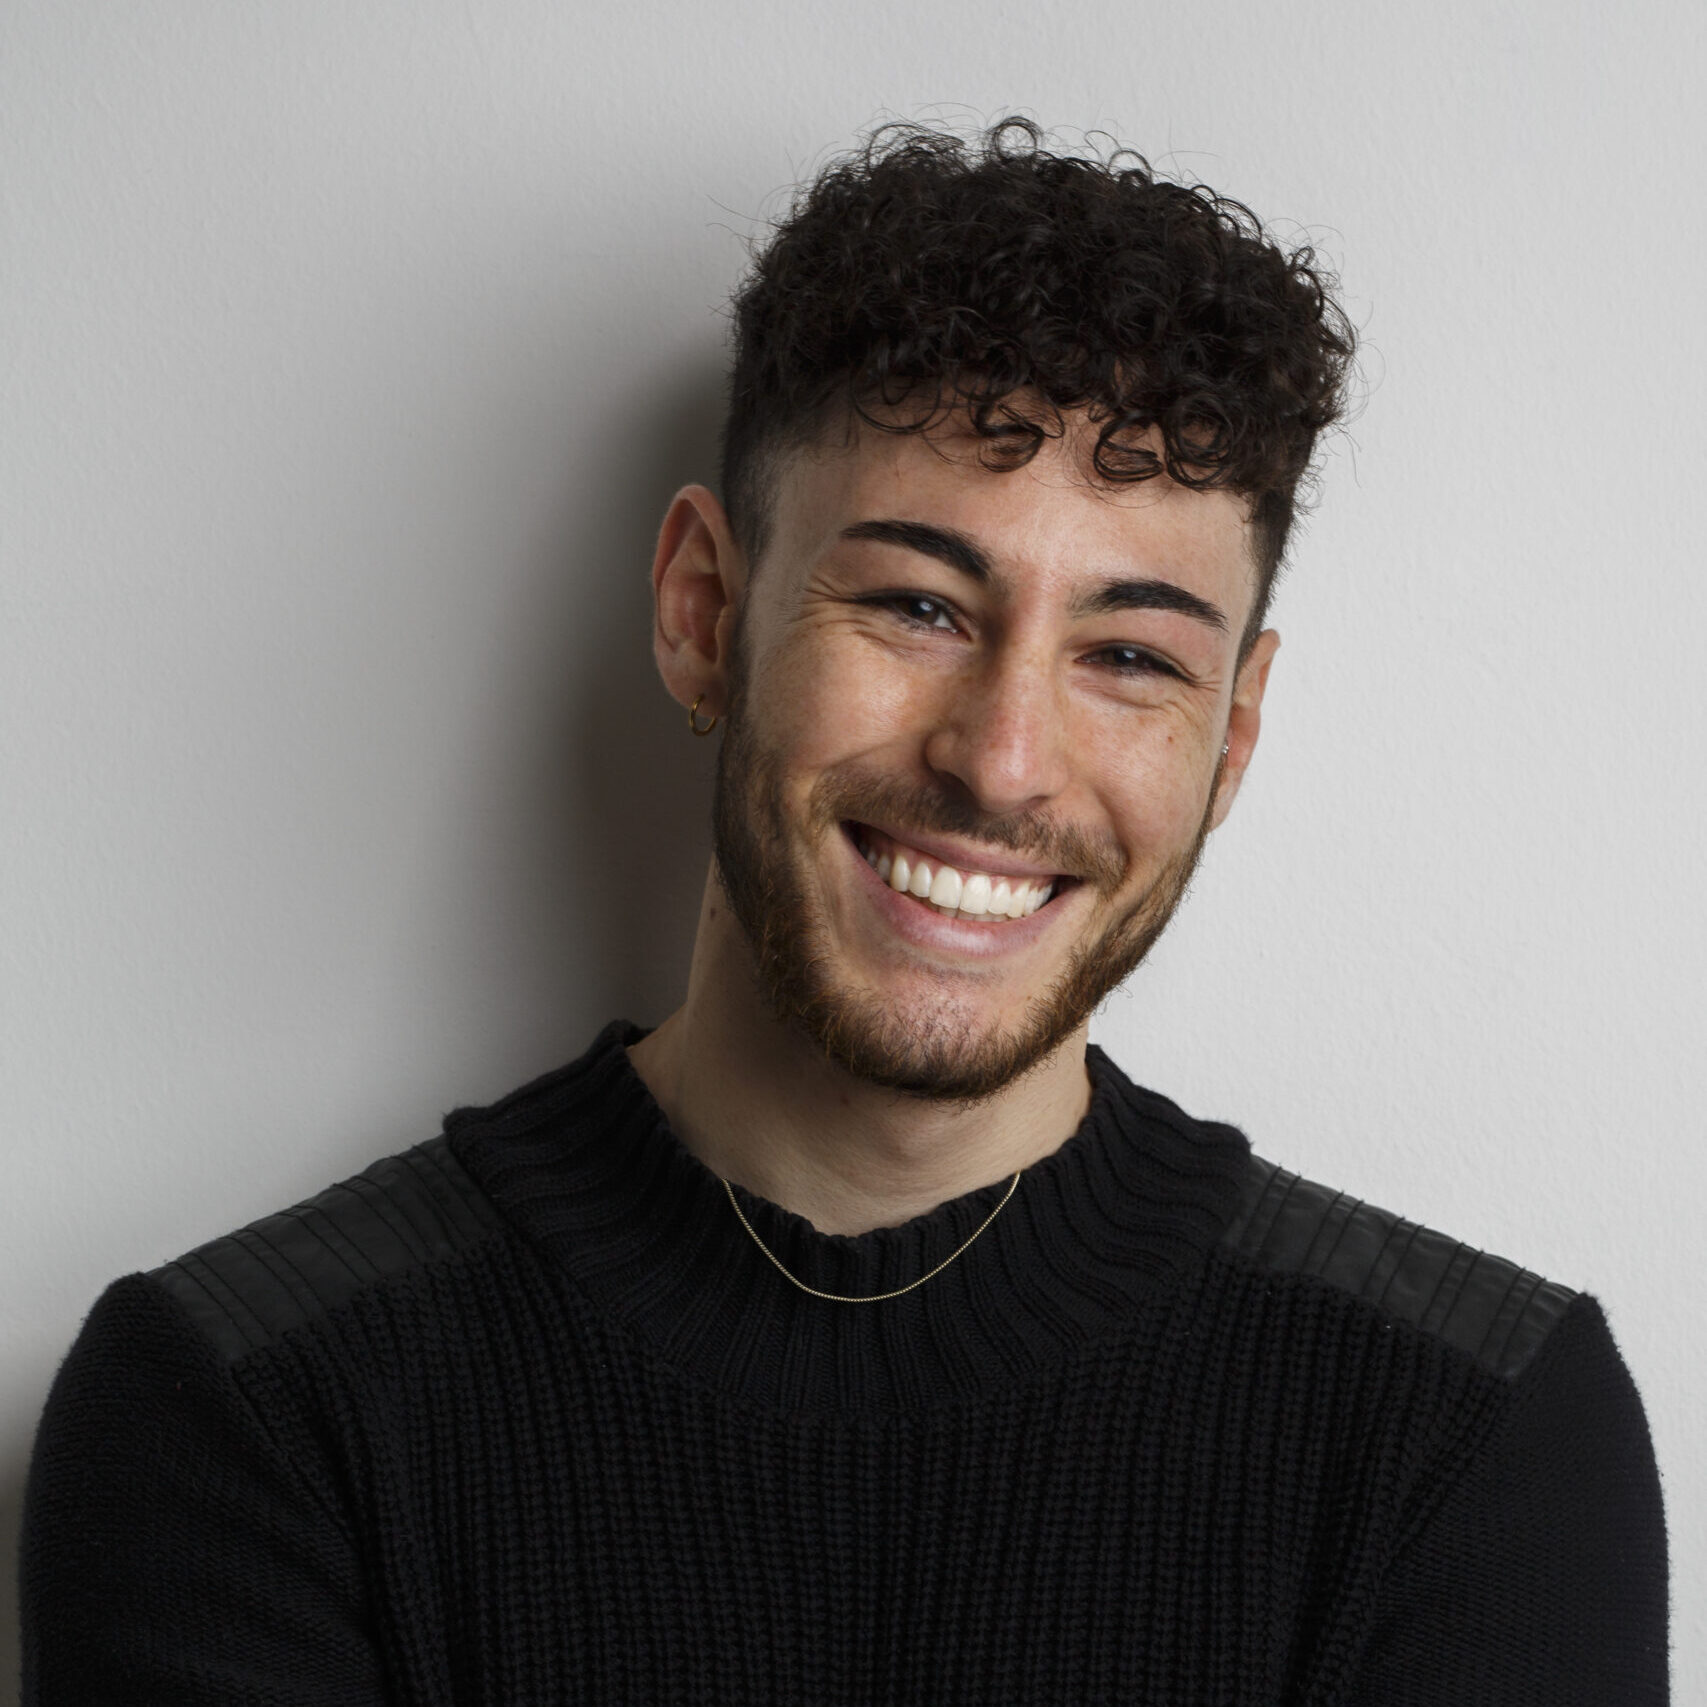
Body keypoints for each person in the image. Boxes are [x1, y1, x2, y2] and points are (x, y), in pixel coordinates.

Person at [21, 118, 1668, 1704]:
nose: (1003, 762)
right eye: (919, 605)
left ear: (1230, 738)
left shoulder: (1473, 1435)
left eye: (1128, 657)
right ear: (703, 612)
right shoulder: (248, 1409)